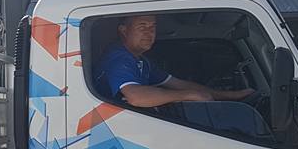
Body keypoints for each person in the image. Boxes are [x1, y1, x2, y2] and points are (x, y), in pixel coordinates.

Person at [94, 14, 254, 107]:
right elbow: (136, 97)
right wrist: (187, 95)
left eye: (152, 27)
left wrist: (232, 95)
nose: (149, 32)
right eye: (142, 26)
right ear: (123, 30)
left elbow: (179, 84)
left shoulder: (142, 61)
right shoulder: (118, 58)